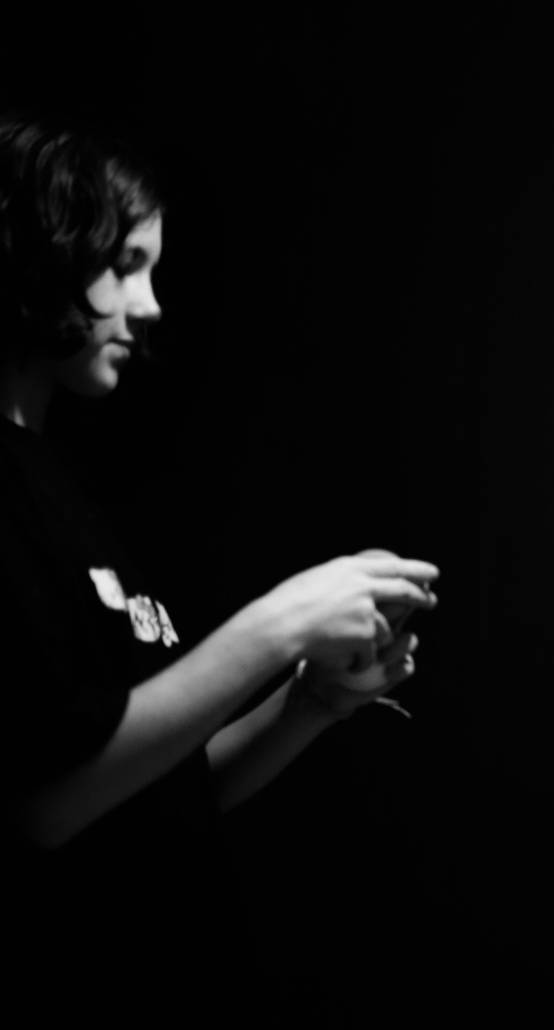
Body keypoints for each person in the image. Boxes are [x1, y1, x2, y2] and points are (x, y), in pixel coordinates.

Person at [0, 114, 440, 1020]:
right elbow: (44, 805)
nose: (151, 304)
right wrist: (282, 622)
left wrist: (308, 701)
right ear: (41, 252)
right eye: (126, 263)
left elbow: (153, 793)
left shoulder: (60, 484)